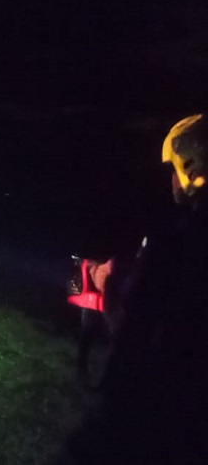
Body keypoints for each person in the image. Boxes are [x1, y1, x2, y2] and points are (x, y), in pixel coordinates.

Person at [60, 113, 208, 464]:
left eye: (174, 169)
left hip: (170, 415)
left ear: (191, 166)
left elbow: (136, 343)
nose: (172, 179)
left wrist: (107, 288)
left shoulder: (179, 238)